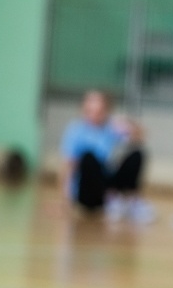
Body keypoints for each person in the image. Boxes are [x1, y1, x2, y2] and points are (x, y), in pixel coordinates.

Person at [60, 89, 154, 224]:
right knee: (88, 157)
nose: (95, 114)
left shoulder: (111, 126)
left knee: (137, 154)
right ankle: (110, 199)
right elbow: (69, 167)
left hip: (107, 182)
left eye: (99, 110)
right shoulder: (75, 130)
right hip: (88, 191)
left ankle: (130, 202)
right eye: (90, 109)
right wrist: (66, 202)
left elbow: (141, 136)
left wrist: (127, 123)